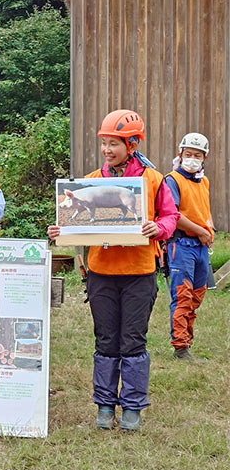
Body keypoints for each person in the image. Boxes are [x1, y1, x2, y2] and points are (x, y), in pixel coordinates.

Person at [48, 109, 178, 432]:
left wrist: (159, 228)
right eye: (104, 143)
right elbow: (76, 223)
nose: (107, 150)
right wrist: (60, 231)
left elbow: (170, 216)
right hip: (101, 273)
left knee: (132, 340)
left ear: (132, 145)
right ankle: (105, 404)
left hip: (139, 273)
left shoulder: (153, 180)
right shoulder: (90, 180)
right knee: (105, 339)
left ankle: (132, 406)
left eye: (114, 144)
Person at [163, 133, 213, 362]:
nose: (192, 159)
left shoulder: (204, 181)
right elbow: (173, 215)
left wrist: (209, 228)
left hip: (201, 246)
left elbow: (205, 210)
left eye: (197, 155)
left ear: (204, 158)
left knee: (196, 296)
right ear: (180, 154)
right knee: (182, 296)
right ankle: (180, 347)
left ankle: (187, 341)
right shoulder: (172, 180)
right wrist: (200, 231)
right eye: (188, 154)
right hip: (181, 244)